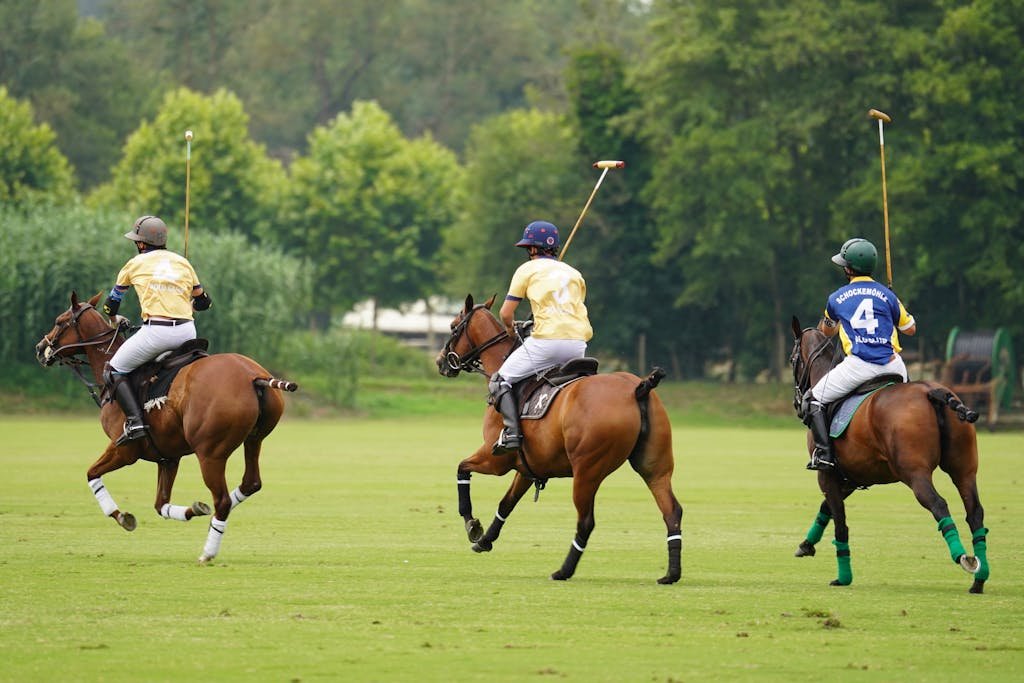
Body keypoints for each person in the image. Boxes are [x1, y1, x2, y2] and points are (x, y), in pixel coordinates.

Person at [805, 237, 916, 470]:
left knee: (813, 399)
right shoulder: (888, 296)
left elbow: (826, 332)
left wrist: (833, 321)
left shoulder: (836, 298)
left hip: (860, 366)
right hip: (894, 365)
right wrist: (895, 304)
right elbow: (910, 329)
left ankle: (824, 455)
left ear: (848, 269)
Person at [101, 215, 212, 445]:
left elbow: (111, 303)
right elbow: (204, 303)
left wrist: (113, 319)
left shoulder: (134, 264)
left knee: (113, 370)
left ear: (141, 244)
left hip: (157, 333)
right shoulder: (182, 262)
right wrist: (190, 304)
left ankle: (135, 422)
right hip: (188, 332)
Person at [490, 220, 593, 455]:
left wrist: (510, 329)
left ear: (534, 248)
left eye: (529, 248)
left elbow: (506, 313)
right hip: (578, 344)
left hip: (548, 342)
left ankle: (512, 433)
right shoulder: (574, 273)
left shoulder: (527, 270)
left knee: (500, 380)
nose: (528, 252)